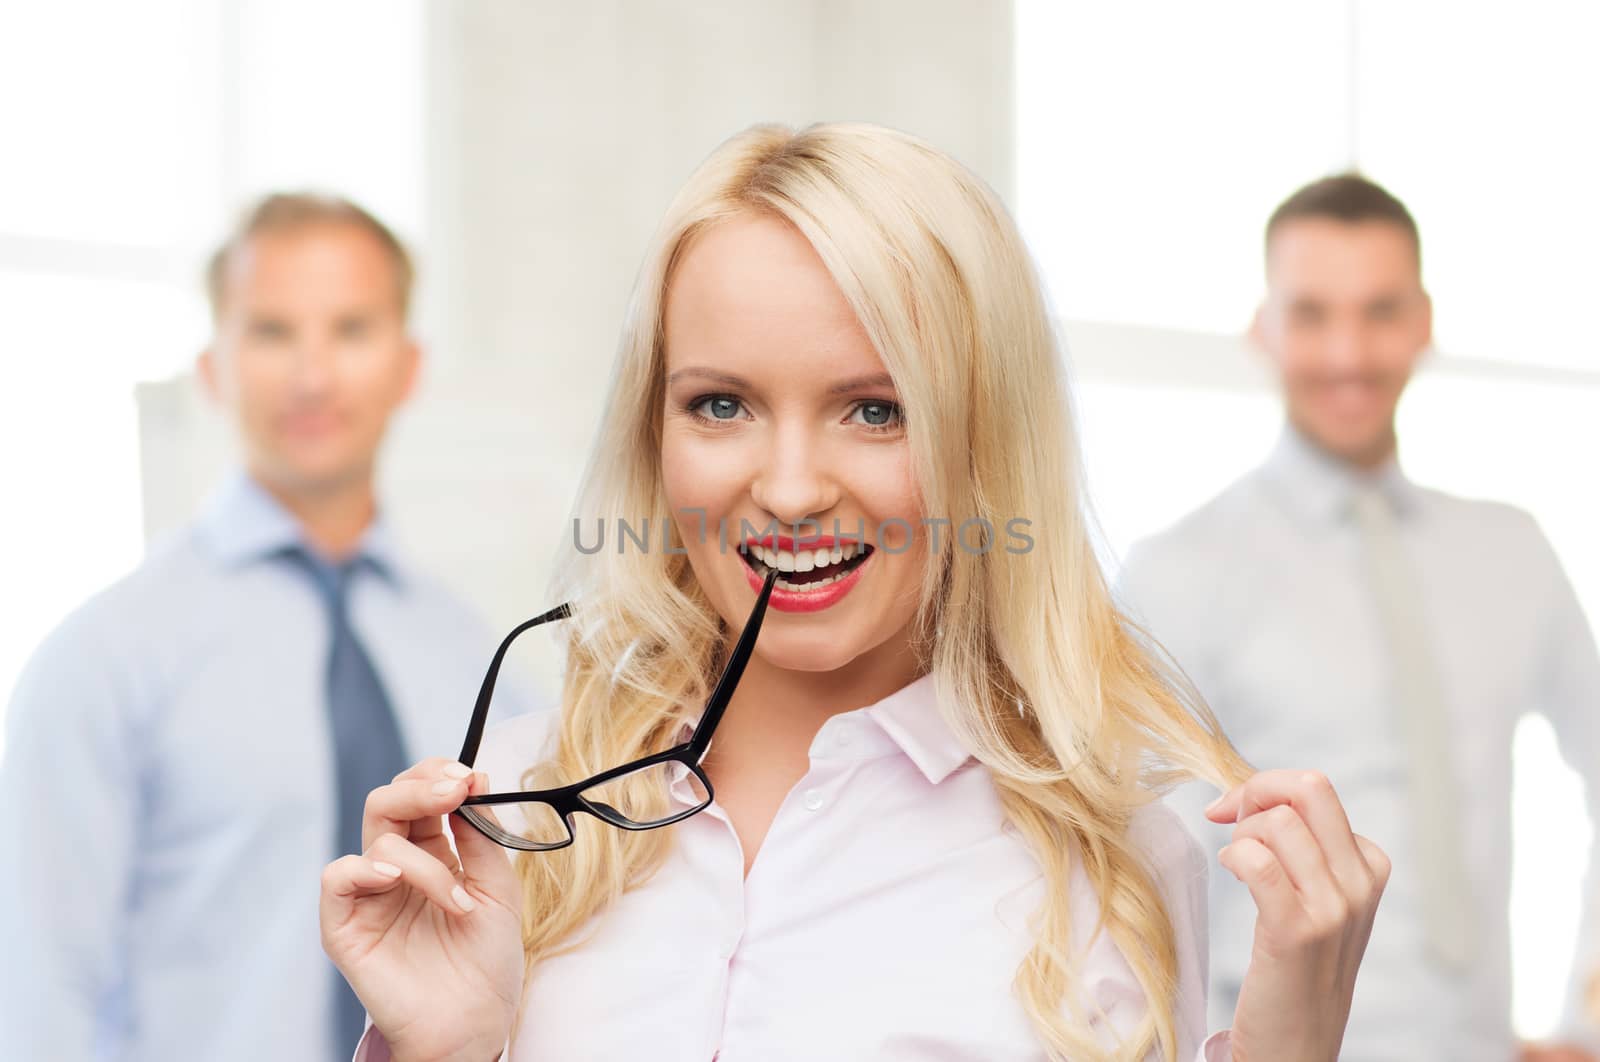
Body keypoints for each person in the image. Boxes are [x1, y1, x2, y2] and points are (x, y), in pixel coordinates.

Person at [320, 123, 1389, 1062]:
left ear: (985, 443)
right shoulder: (506, 803)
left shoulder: (1112, 874)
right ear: (655, 432)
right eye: (722, 403)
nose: (787, 490)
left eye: (874, 411)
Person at [0, 193, 530, 1061]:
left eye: (351, 329)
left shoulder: (484, 664)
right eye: (273, 332)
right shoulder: (102, 658)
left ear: (408, 366)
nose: (312, 375)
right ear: (213, 367)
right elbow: (37, 998)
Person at [1118, 174, 1600, 1061]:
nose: (1348, 352)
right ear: (1263, 328)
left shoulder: (1514, 551)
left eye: (1379, 311)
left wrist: (1590, 1012)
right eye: (1312, 313)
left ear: (1423, 321)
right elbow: (1126, 861)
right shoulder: (1177, 571)